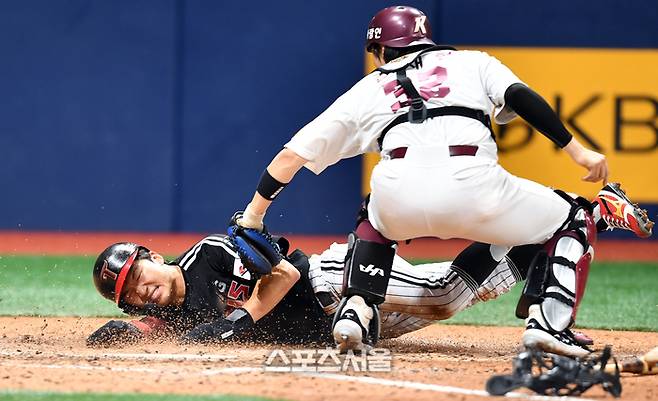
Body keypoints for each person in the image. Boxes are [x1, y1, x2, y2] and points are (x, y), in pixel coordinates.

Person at [229, 4, 650, 357]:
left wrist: (253, 216)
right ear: (425, 40)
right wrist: (576, 150)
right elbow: (522, 98)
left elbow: (289, 158)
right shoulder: (473, 62)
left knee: (373, 218)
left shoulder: (368, 88)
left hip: (398, 194)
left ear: (380, 49)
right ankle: (549, 321)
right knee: (572, 217)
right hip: (478, 188)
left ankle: (358, 305)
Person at [87, 184, 652, 350]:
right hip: (339, 328)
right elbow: (164, 327)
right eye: (131, 294)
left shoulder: (209, 255)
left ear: (152, 257)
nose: (143, 289)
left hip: (333, 284)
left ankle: (576, 210)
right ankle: (541, 239)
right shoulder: (172, 310)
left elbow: (281, 274)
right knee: (451, 297)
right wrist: (124, 331)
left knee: (437, 292)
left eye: (138, 274)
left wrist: (242, 321)